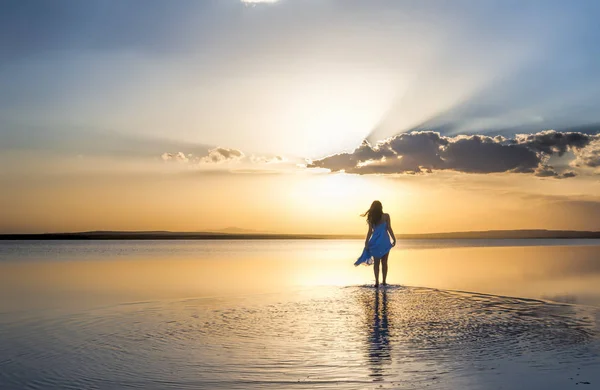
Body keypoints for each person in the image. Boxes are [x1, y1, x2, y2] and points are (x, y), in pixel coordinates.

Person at [355, 200, 396, 287]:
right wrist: (394, 238)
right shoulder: (386, 216)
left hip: (375, 242)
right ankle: (384, 282)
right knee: (384, 262)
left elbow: (370, 231)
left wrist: (366, 242)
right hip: (384, 241)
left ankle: (377, 282)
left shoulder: (371, 218)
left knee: (376, 263)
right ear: (381, 207)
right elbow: (389, 228)